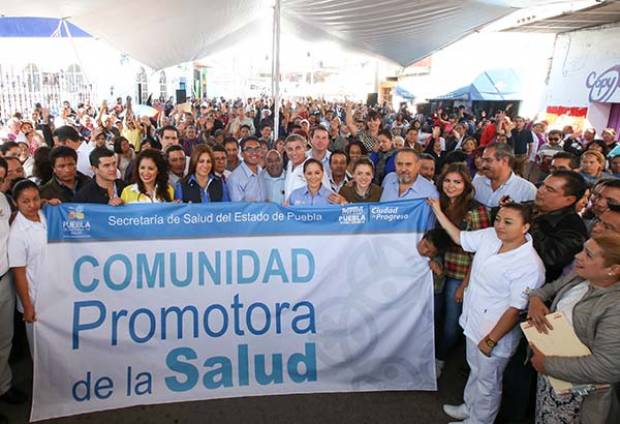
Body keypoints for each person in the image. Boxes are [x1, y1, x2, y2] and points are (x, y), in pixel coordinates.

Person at [430, 200, 545, 424]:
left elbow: (515, 309)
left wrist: (491, 340)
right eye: (499, 219)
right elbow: (460, 238)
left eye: (508, 222)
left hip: (494, 333)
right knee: (476, 371)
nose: (500, 225)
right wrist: (437, 210)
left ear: (525, 227)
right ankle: (469, 407)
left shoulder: (530, 265)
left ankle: (480, 420)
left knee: (488, 383)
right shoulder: (490, 236)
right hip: (474, 321)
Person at [527, 234, 620, 424]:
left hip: (578, 393)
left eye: (589, 254)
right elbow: (549, 288)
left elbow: (607, 367)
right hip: (551, 376)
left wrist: (547, 365)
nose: (578, 256)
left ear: (613, 269)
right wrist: (535, 300)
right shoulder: (580, 275)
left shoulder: (615, 308)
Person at [434, 163, 491, 377]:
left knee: (452, 324)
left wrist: (465, 285)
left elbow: (481, 253)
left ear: (466, 184)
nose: (451, 186)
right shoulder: (439, 204)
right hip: (439, 272)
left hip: (460, 276)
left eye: (457, 182)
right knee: (434, 318)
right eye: (447, 181)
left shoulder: (477, 210)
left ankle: (440, 360)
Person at [8, 180, 48, 354]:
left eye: (35, 199)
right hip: (35, 297)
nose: (32, 205)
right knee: (39, 349)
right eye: (26, 201)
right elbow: (19, 272)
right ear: (16, 203)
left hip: (54, 291)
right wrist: (27, 305)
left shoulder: (45, 215)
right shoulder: (17, 233)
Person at [0, 160, 27, 409]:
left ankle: (4, 386)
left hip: (4, 279)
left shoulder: (4, 202)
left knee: (4, 339)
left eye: (1, 180)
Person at [473, 143, 537, 208]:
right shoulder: (477, 183)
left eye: (488, 160)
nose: (483, 165)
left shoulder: (527, 191)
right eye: (483, 160)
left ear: (504, 161)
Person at [227, 136, 267, 202]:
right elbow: (239, 208)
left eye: (257, 149)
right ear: (242, 154)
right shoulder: (235, 178)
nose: (254, 153)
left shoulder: (261, 171)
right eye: (249, 150)